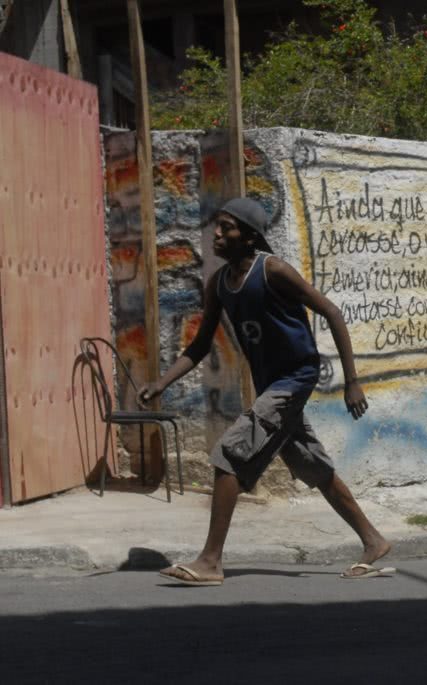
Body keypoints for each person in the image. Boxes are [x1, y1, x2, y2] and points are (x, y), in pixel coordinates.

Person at [138, 197, 392, 585]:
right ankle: (373, 540)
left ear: (249, 237)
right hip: (271, 385)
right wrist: (161, 382)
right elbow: (200, 345)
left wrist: (352, 382)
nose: (216, 234)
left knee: (230, 453)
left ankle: (210, 561)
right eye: (217, 226)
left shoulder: (273, 270)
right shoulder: (219, 284)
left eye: (226, 228)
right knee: (311, 465)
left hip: (295, 378)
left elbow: (332, 312)